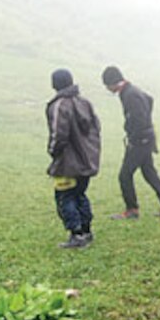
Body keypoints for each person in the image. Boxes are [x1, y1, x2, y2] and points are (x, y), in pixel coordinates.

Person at [101, 65, 160, 220]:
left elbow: (139, 119)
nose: (107, 89)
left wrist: (134, 136)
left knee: (124, 175)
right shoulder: (131, 90)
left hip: (140, 140)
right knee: (149, 172)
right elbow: (149, 99)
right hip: (146, 138)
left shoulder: (130, 94)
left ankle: (131, 210)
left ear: (112, 83)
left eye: (106, 86)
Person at [45, 68, 101, 248]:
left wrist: (52, 152)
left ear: (54, 84)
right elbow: (96, 128)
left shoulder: (60, 105)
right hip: (87, 161)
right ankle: (86, 231)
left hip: (67, 163)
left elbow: (58, 135)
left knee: (65, 196)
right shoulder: (85, 103)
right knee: (80, 194)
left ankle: (76, 235)